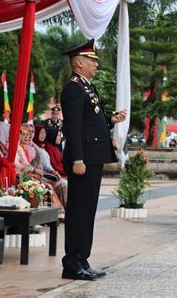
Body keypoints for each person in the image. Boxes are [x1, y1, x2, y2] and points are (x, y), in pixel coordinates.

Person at [60, 39, 126, 281]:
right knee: (78, 212)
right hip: (83, 160)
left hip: (93, 158)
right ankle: (72, 263)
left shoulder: (87, 87)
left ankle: (82, 259)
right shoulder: (73, 88)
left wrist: (111, 120)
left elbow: (91, 121)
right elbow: (73, 128)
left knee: (88, 211)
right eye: (92, 60)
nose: (96, 64)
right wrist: (77, 158)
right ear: (79, 62)